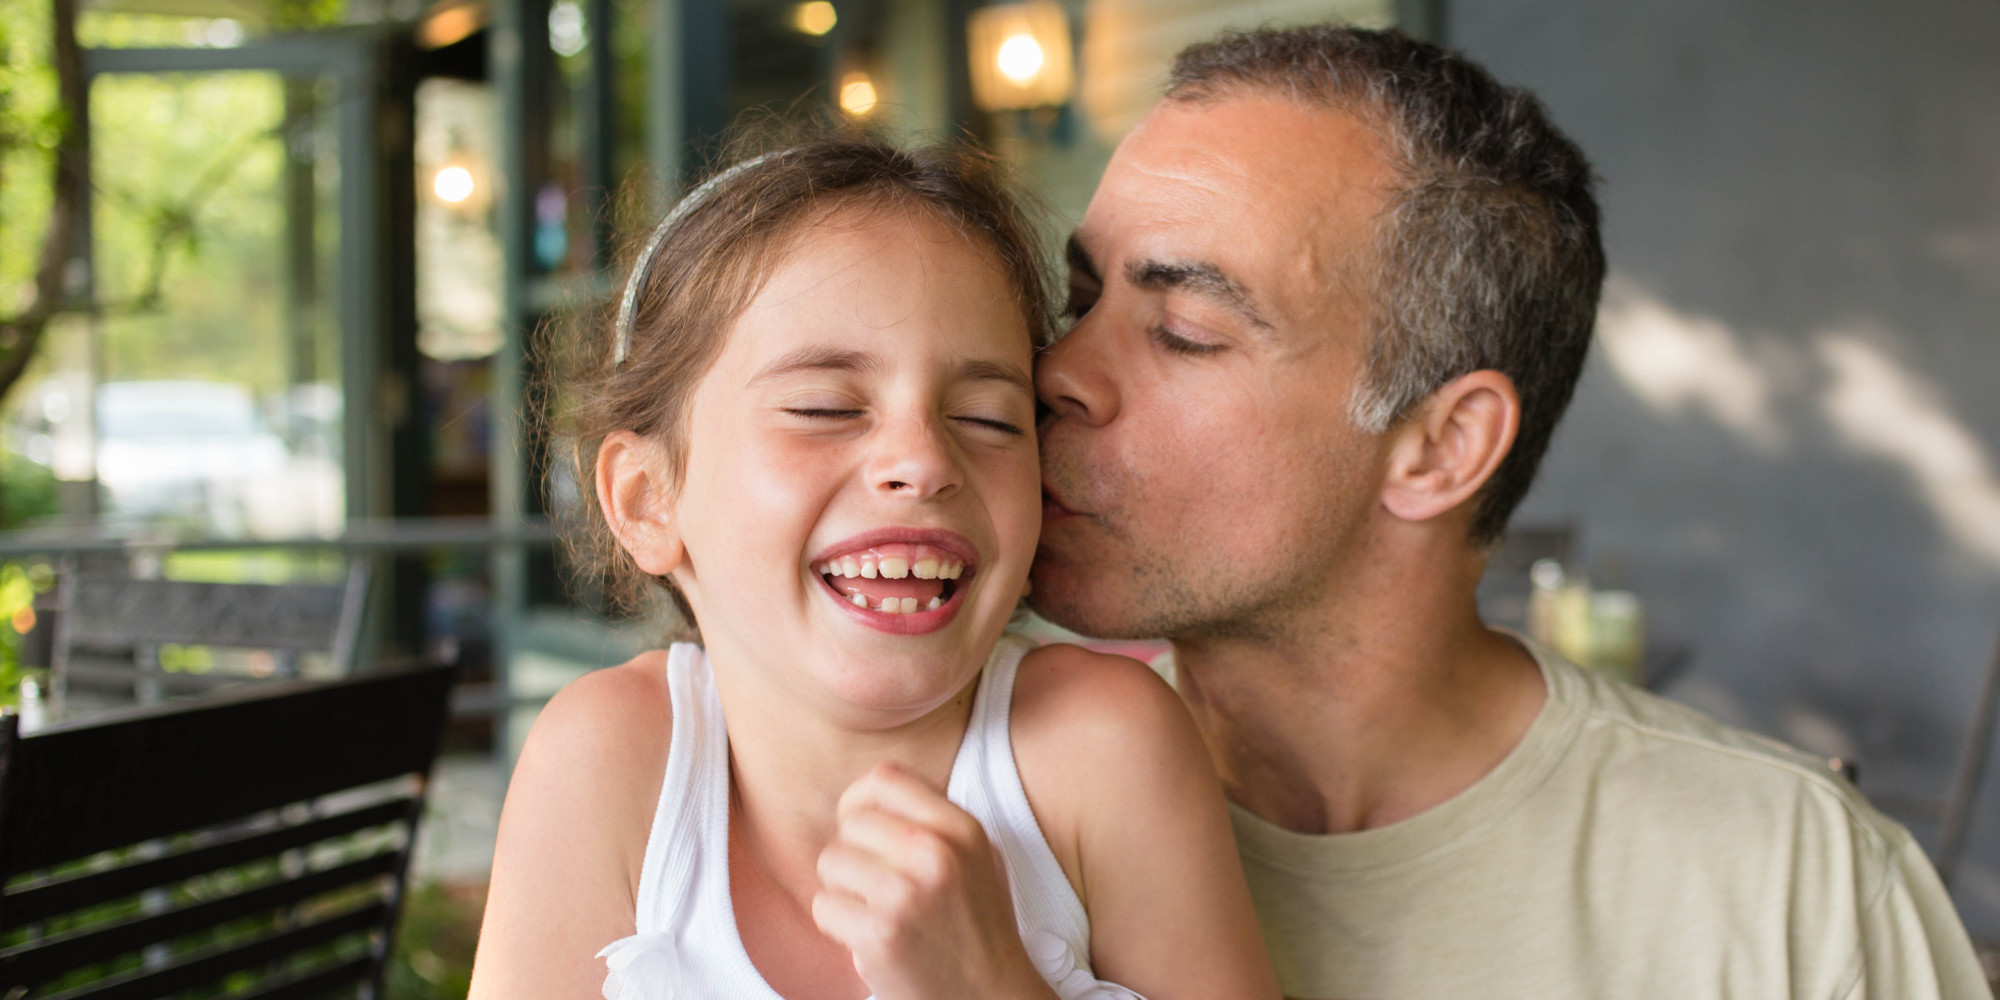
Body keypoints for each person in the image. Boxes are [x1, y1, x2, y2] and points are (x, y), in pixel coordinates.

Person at [1032, 24, 1992, 1000]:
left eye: (1184, 333)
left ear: (1440, 446)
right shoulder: (970, 824)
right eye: (1077, 300)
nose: (1056, 372)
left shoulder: (1795, 893)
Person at [467, 134, 1278, 1000]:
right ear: (646, 500)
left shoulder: (1101, 748)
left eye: (990, 418)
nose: (923, 460)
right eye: (824, 407)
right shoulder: (605, 761)